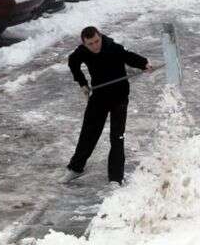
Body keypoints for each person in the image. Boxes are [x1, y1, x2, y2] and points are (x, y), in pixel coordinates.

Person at [61, 26, 152, 186]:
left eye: (97, 41)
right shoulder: (82, 52)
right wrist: (82, 83)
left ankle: (116, 178)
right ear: (84, 44)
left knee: (117, 137)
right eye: (91, 44)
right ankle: (76, 168)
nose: (95, 46)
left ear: (100, 37)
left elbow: (129, 57)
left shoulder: (113, 47)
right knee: (88, 133)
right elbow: (73, 62)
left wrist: (144, 64)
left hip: (119, 96)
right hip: (99, 96)